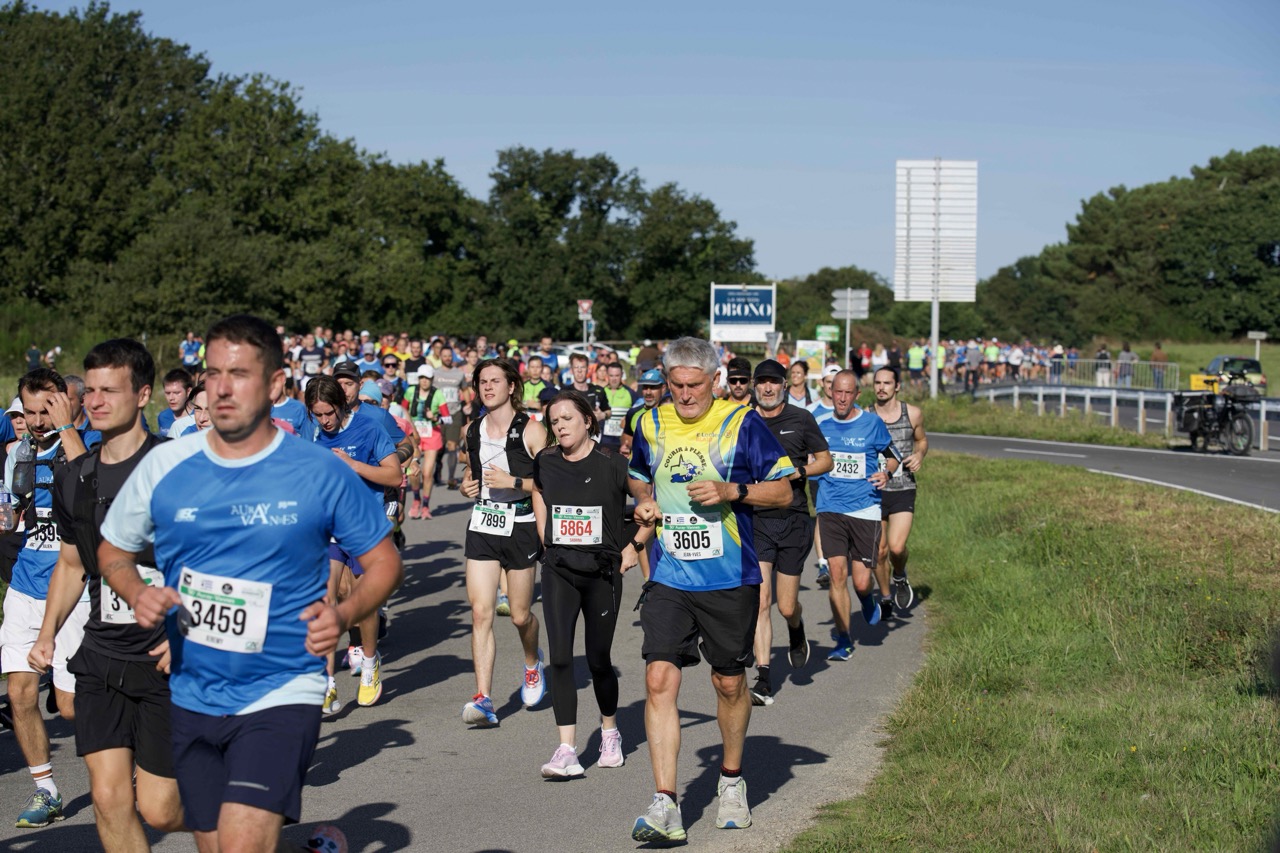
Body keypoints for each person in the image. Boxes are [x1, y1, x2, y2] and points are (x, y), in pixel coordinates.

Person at [99, 314, 402, 853]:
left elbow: (383, 562)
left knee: (241, 844)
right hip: (193, 689)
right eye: (213, 373)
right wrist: (138, 592)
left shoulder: (318, 469)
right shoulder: (167, 464)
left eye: (238, 374)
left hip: (282, 686)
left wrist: (342, 614)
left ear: (275, 383)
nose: (222, 387)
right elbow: (113, 550)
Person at [627, 337, 794, 843]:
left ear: (715, 381)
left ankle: (731, 780)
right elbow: (638, 478)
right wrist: (646, 502)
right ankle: (665, 803)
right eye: (675, 385)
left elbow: (783, 491)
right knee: (659, 678)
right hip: (669, 575)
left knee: (728, 683)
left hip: (728, 577)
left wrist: (730, 490)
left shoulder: (741, 423)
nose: (684, 395)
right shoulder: (649, 422)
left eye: (694, 386)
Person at [31, 338, 187, 848]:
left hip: (168, 659)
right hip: (101, 656)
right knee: (108, 798)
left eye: (110, 391)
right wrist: (47, 633)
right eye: (90, 390)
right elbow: (72, 563)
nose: (95, 401)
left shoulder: (179, 466)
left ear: (143, 395)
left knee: (161, 809)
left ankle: (248, 826)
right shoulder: (75, 476)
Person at [532, 392, 649, 777]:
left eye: (567, 418)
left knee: (598, 660)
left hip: (602, 574)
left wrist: (634, 547)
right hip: (559, 570)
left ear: (588, 421)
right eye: (554, 421)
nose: (560, 426)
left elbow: (649, 506)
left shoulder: (613, 464)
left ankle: (610, 732)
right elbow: (537, 489)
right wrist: (544, 533)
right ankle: (566, 749)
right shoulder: (546, 461)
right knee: (561, 658)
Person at [1, 368, 90, 828]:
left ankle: (138, 748)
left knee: (71, 706)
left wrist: (67, 427)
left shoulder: (87, 444)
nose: (36, 422)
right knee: (20, 693)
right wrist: (6, 517)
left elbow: (92, 485)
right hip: (25, 586)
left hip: (74, 591)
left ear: (63, 403)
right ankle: (47, 790)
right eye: (28, 412)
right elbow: (15, 514)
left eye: (45, 411)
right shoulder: (19, 453)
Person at [458, 359, 548, 726]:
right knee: (481, 612)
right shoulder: (472, 430)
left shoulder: (532, 430)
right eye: (482, 381)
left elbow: (552, 481)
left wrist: (513, 482)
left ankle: (532, 661)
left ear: (511, 387)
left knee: (520, 615)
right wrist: (466, 485)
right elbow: (473, 471)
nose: (488, 387)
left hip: (521, 525)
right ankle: (483, 698)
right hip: (483, 523)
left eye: (495, 381)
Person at [306, 374, 401, 710]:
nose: (324, 421)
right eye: (317, 414)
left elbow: (394, 475)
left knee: (363, 602)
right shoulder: (312, 437)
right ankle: (327, 681)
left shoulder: (369, 428)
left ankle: (370, 663)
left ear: (341, 405)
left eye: (328, 413)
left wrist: (353, 465)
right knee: (326, 598)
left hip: (365, 528)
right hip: (329, 530)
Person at [747, 360, 831, 706]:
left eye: (774, 382)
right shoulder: (742, 420)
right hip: (757, 519)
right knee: (760, 601)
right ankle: (764, 678)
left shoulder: (801, 418)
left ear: (785, 385)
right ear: (755, 385)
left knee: (785, 606)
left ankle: (796, 627)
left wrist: (801, 471)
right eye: (762, 382)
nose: (768, 388)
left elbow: (825, 460)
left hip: (794, 519)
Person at [815, 370, 902, 662]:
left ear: (856, 395)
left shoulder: (871, 423)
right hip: (830, 507)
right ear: (831, 392)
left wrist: (886, 473)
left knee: (862, 582)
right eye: (837, 392)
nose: (841, 398)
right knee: (837, 573)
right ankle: (844, 639)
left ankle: (867, 599)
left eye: (847, 393)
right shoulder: (820, 424)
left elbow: (894, 455)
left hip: (865, 508)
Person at [870, 367, 928, 616]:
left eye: (887, 383)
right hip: (874, 489)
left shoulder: (912, 413)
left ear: (897, 387)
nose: (881, 387)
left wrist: (919, 455)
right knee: (879, 551)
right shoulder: (866, 416)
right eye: (877, 383)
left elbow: (921, 440)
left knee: (896, 548)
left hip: (903, 487)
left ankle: (900, 575)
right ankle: (885, 597)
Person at [157, 368, 193, 436]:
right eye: (168, 393)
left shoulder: (200, 416)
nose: (171, 398)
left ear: (189, 391)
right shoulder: (163, 417)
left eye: (176, 393)